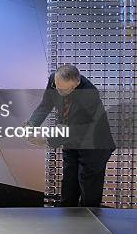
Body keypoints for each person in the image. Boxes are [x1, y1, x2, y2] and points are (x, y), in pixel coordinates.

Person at [26, 64, 116, 207]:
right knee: (69, 186)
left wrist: (46, 140)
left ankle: (89, 226)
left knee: (89, 194)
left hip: (93, 145)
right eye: (56, 87)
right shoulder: (54, 81)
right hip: (71, 141)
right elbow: (45, 104)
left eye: (63, 90)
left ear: (76, 83)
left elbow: (78, 129)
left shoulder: (89, 94)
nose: (58, 91)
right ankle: (68, 223)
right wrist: (31, 125)